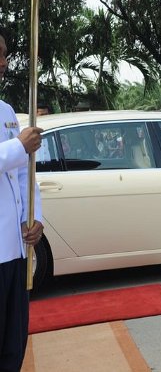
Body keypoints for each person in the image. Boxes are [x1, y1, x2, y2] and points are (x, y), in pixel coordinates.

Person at [0, 28, 44, 372]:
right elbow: (17, 154)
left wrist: (35, 217)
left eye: (4, 55)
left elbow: (24, 174)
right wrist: (18, 147)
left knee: (13, 343)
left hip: (15, 248)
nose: (3, 63)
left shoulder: (7, 110)